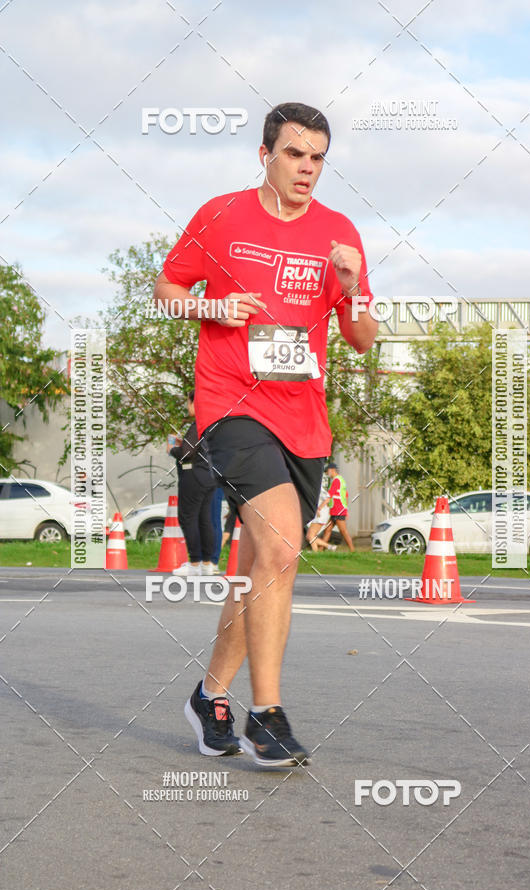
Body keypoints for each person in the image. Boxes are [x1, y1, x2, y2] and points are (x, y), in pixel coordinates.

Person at [154, 101, 378, 766]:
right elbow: (167, 289)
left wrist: (353, 285)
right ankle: (267, 718)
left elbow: (362, 340)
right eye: (294, 154)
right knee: (281, 544)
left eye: (317, 158)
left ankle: (210, 695)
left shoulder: (339, 234)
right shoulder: (221, 215)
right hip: (230, 402)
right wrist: (213, 306)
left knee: (262, 564)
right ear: (265, 154)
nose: (307, 168)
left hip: (303, 418)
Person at [167, 391, 218, 576]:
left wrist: (173, 450)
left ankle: (194, 563)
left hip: (193, 476)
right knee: (204, 519)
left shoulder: (198, 425)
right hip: (210, 476)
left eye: (188, 403)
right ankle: (207, 563)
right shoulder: (213, 425)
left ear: (195, 403)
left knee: (188, 518)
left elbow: (187, 453)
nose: (187, 407)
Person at [320, 462, 354, 552]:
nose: (327, 474)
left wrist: (320, 507)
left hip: (338, 510)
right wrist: (346, 511)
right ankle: (320, 550)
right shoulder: (341, 480)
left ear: (332, 470)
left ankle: (352, 550)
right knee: (328, 530)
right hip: (336, 510)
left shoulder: (336, 481)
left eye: (327, 471)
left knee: (343, 531)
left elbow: (329, 496)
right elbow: (345, 495)